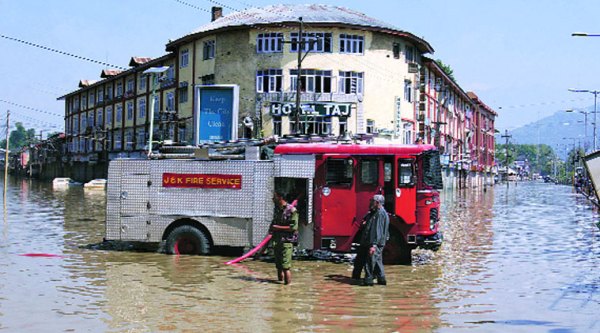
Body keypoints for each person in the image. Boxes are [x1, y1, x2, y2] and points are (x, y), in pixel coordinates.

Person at [360, 194, 389, 286]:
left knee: (369, 262)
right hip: (379, 242)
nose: (370, 203)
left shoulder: (380, 214)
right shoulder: (377, 212)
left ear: (377, 203)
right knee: (377, 261)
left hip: (376, 243)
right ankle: (381, 280)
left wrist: (373, 245)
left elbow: (378, 230)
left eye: (371, 201)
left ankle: (368, 281)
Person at [270, 194, 299, 285]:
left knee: (285, 267)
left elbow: (293, 228)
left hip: (287, 241)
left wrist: (277, 227)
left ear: (280, 198)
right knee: (278, 266)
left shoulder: (292, 210)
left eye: (274, 197)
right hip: (277, 240)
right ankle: (279, 289)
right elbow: (273, 224)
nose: (272, 199)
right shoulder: (277, 209)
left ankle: (287, 289)